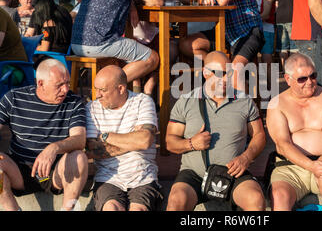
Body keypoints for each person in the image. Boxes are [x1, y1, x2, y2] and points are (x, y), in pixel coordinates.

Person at [166, 51, 266, 211]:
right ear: (206, 73)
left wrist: (246, 157)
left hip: (233, 173)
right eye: (221, 73)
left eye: (229, 73)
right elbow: (170, 142)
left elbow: (259, 135)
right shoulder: (186, 101)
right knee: (176, 200)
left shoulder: (244, 101)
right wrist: (191, 143)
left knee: (255, 199)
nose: (226, 79)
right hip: (194, 175)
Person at [0, 58, 88, 211]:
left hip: (57, 173)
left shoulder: (74, 102)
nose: (66, 89)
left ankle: (68, 209)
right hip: (19, 171)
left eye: (67, 83)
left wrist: (53, 148)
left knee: (79, 158)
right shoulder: (14, 98)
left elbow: (80, 139)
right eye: (59, 85)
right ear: (41, 83)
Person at [266, 53, 322, 211]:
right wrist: (311, 166)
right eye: (302, 79)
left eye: (313, 76)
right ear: (288, 79)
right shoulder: (277, 104)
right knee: (279, 196)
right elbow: (283, 144)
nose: (310, 82)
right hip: (289, 166)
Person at [70, 0, 164, 96]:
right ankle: (103, 89)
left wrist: (131, 3)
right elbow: (157, 0)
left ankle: (127, 99)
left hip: (77, 42)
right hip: (100, 42)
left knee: (134, 53)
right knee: (152, 58)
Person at [85, 65, 163, 211]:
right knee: (111, 208)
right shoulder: (92, 108)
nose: (97, 95)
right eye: (96, 89)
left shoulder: (142, 101)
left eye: (103, 90)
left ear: (120, 89)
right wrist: (133, 140)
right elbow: (92, 150)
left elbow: (145, 140)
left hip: (142, 175)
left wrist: (106, 136)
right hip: (108, 177)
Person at [179, 0, 264, 91]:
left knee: (235, 72)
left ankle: (244, 109)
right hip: (222, 31)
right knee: (186, 44)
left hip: (247, 31)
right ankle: (221, 65)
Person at [247, 0, 275, 70]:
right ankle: (259, 86)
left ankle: (271, 86)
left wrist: (247, 19)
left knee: (266, 60)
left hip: (265, 27)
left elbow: (266, 14)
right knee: (251, 60)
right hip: (252, 28)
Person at [274, 0, 298, 67]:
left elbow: (276, 4)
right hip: (294, 18)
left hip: (280, 18)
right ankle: (293, 69)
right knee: (294, 47)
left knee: (282, 47)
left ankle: (284, 69)